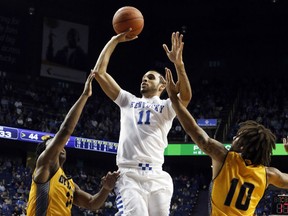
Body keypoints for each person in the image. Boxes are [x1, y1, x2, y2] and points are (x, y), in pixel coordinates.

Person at [92, 30, 192, 215]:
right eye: (144, 77)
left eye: (151, 77)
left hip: (157, 175)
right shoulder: (127, 101)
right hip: (129, 175)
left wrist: (179, 64)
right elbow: (99, 73)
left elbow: (185, 96)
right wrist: (114, 40)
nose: (145, 79)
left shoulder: (168, 106)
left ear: (162, 86)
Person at [165, 68, 288, 216]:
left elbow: (194, 131)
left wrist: (173, 97)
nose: (234, 138)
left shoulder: (225, 157)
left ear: (242, 146)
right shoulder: (269, 174)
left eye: (237, 136)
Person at [26, 72, 120, 216]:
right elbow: (65, 131)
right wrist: (85, 96)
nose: (61, 146)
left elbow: (92, 203)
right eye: (54, 144)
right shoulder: (44, 164)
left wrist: (106, 188)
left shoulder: (69, 183)